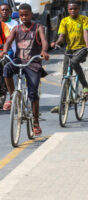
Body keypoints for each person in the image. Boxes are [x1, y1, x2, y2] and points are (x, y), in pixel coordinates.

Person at [0, 3, 49, 135]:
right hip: (19, 60)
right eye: (21, 15)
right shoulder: (16, 28)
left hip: (33, 63)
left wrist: (44, 51)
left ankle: (36, 123)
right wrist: (4, 51)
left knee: (33, 93)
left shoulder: (38, 28)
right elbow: (8, 41)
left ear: (31, 14)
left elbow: (44, 41)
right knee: (7, 69)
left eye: (26, 15)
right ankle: (12, 96)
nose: (24, 17)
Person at [50, 0, 88, 113]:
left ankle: (85, 86)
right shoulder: (64, 21)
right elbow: (62, 36)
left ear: (78, 9)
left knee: (74, 62)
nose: (73, 11)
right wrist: (57, 43)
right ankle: (62, 105)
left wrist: (87, 46)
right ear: (67, 10)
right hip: (69, 50)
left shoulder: (84, 19)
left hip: (81, 50)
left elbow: (85, 32)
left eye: (75, 9)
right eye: (70, 9)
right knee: (65, 77)